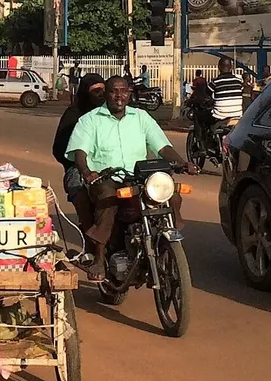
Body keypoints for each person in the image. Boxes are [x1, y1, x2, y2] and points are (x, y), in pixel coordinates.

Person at [67, 74, 187, 276]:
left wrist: (182, 163)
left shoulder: (141, 117)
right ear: (105, 94)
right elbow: (80, 152)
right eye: (113, 91)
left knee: (170, 194)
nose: (119, 96)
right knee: (107, 199)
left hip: (139, 177)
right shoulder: (89, 120)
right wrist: (87, 172)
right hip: (107, 179)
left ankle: (166, 239)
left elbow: (162, 146)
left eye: (123, 91)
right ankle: (99, 257)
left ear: (129, 94)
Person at [50, 73, 108, 240]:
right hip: (78, 166)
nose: (100, 95)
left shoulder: (110, 113)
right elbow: (59, 149)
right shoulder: (74, 115)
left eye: (103, 90)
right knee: (78, 187)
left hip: (109, 163)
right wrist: (78, 163)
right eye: (95, 91)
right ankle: (91, 233)